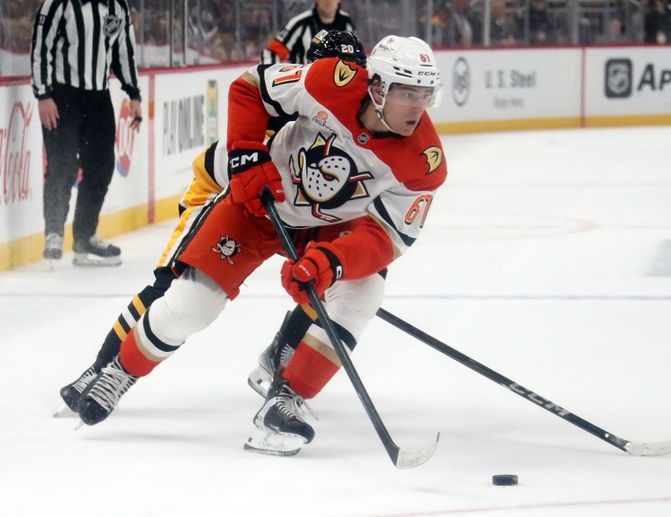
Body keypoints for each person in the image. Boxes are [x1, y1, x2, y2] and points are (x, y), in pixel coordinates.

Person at [71, 35, 446, 460]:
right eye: (406, 93)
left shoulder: (425, 160)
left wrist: (332, 262)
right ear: (376, 88)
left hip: (328, 227)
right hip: (257, 203)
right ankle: (118, 370)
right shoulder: (330, 81)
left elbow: (389, 236)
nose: (418, 107)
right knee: (192, 304)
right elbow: (252, 86)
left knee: (363, 292)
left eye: (425, 94)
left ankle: (285, 398)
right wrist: (248, 155)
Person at [57, 30, 368, 415]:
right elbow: (238, 154)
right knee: (173, 283)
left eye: (353, 71)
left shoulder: (357, 118)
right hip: (221, 190)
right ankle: (101, 370)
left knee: (323, 276)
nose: (345, 81)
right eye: (336, 69)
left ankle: (280, 353)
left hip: (293, 208)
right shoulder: (291, 101)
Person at [31, 0, 143, 266]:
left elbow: (124, 51)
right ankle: (54, 234)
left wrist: (134, 93)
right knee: (62, 164)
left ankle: (84, 235)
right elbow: (40, 46)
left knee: (101, 167)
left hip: (98, 98)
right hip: (62, 95)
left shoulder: (118, 5)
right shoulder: (58, 3)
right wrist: (43, 94)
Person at [261, 0, 354, 65]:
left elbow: (354, 55)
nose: (328, 1)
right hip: (302, 86)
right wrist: (269, 80)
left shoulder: (346, 22)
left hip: (337, 85)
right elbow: (271, 53)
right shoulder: (300, 23)